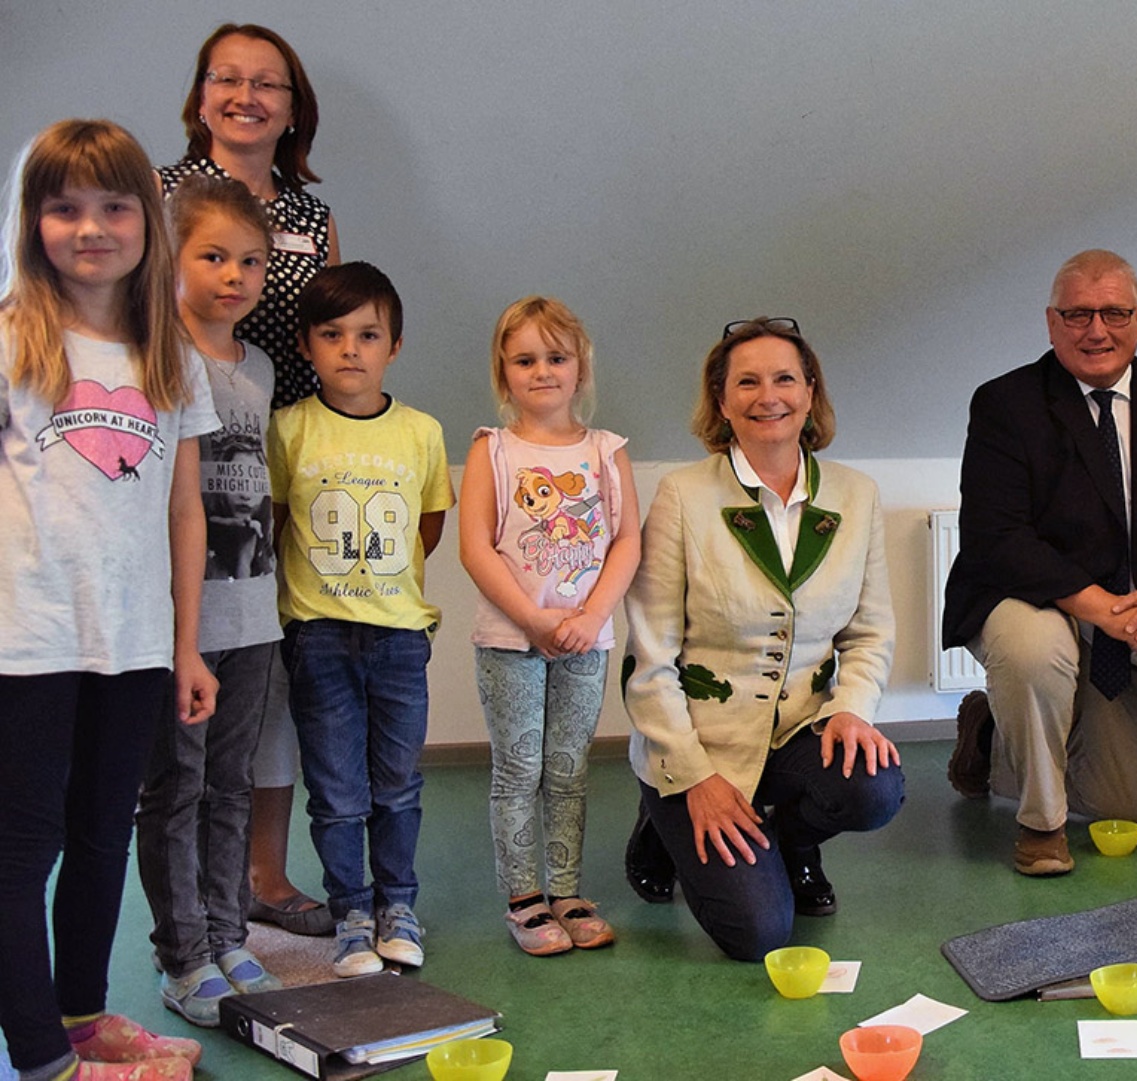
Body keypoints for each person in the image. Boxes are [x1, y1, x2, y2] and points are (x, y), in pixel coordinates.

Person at [1, 118, 217, 1081]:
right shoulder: (12, 337)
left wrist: (188, 645)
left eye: (114, 206)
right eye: (64, 208)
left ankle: (82, 1014)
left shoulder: (169, 353)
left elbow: (183, 509)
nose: (91, 227)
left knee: (100, 832)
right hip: (26, 641)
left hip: (131, 643)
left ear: (147, 222)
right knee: (22, 848)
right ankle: (42, 1056)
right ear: (32, 221)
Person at [943, 250, 1137, 876]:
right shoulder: (1006, 403)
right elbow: (995, 536)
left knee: (1119, 806)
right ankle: (1040, 825)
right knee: (1037, 654)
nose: (1096, 330)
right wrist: (1095, 606)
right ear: (1052, 324)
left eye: (1113, 313)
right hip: (1031, 598)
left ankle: (991, 733)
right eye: (1078, 314)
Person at [622, 317, 903, 961]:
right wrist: (694, 779)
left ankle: (790, 840)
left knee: (875, 787)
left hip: (797, 730)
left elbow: (870, 631)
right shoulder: (683, 496)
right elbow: (649, 656)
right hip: (702, 747)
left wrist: (852, 710)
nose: (767, 395)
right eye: (746, 382)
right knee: (760, 936)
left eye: (784, 378)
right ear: (722, 402)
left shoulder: (857, 496)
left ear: (809, 392)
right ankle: (659, 826)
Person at [158, 22, 344, 938]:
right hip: (183, 454)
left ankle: (262, 877)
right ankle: (188, 902)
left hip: (284, 451)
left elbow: (336, 334)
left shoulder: (310, 220)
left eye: (267, 82)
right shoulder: (156, 198)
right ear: (200, 97)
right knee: (194, 680)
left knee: (270, 667)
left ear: (292, 107)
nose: (246, 95)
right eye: (226, 79)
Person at [268, 262, 453, 977]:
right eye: (332, 334)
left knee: (399, 781)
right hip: (317, 637)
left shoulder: (421, 432)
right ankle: (350, 911)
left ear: (394, 346)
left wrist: (381, 589)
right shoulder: (288, 429)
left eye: (368, 334)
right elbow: (279, 522)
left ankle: (397, 904)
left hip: (401, 637)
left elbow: (426, 527)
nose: (351, 349)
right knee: (337, 788)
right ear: (307, 345)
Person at [134, 176, 283, 1031]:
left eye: (250, 260)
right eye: (214, 255)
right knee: (175, 786)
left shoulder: (257, 366)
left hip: (254, 613)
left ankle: (227, 931)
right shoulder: (157, 358)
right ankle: (181, 952)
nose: (234, 274)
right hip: (181, 617)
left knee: (233, 781)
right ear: (172, 256)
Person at [460, 298, 640, 956]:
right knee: (519, 768)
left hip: (585, 643)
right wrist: (533, 618)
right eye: (525, 359)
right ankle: (524, 897)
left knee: (568, 768)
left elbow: (626, 542)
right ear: (503, 372)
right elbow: (476, 546)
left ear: (580, 367)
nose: (543, 371)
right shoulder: (493, 449)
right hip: (512, 642)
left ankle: (565, 887)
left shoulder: (606, 451)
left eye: (556, 357)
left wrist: (591, 616)